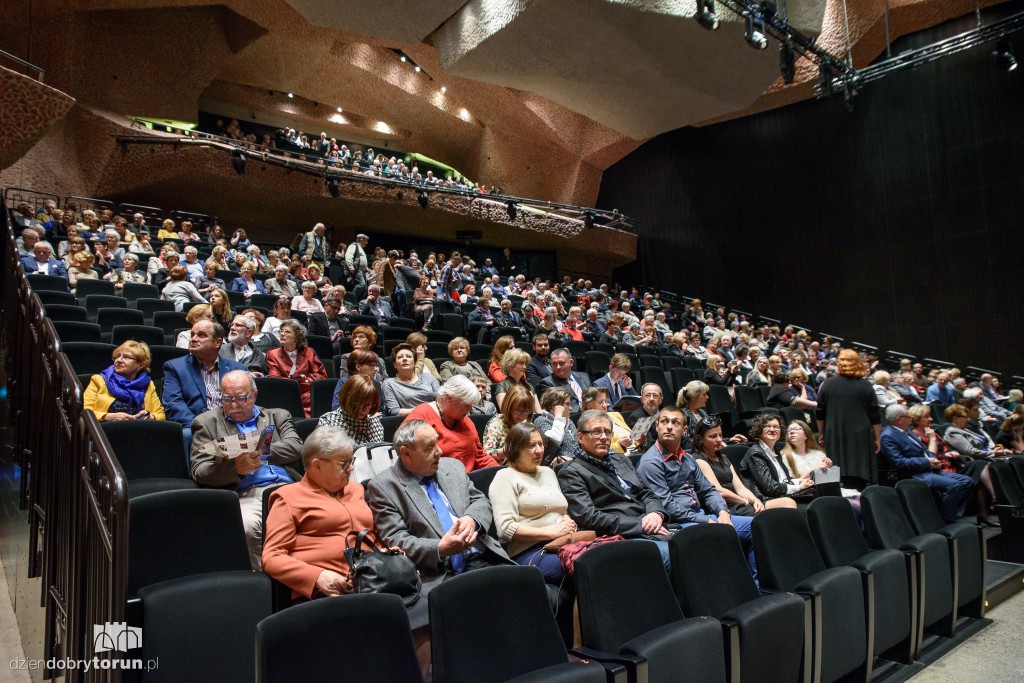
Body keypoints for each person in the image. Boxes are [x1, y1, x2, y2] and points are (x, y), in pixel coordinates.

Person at [367, 419, 513, 596]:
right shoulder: (385, 486)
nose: (439, 451)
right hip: (443, 573)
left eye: (437, 442)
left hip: (488, 556)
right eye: (429, 447)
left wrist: (471, 519)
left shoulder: (452, 466)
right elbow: (397, 540)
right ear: (406, 453)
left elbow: (480, 500)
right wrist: (440, 548)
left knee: (530, 593)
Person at [191, 370, 303, 568]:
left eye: (241, 398)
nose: (234, 405)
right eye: (227, 398)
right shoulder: (206, 423)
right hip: (246, 493)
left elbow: (295, 447)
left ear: (254, 395)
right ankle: (263, 581)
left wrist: (258, 453)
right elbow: (200, 470)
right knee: (248, 527)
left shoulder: (277, 415)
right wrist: (236, 468)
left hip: (289, 487)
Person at [637, 406, 756, 575]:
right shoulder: (651, 462)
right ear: (657, 427)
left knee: (755, 526)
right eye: (664, 421)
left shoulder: (688, 458)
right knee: (717, 535)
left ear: (684, 430)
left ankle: (754, 586)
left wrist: (722, 511)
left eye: (675, 422)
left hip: (702, 516)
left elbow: (709, 490)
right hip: (678, 522)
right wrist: (705, 520)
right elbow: (667, 506)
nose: (669, 426)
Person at [557, 410, 672, 566]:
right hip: (622, 534)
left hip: (652, 524)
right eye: (596, 432)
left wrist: (656, 513)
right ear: (580, 437)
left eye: (607, 432)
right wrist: (639, 525)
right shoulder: (571, 472)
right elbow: (589, 517)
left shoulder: (619, 459)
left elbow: (647, 493)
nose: (604, 437)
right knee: (671, 556)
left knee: (696, 544)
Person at [488, 423, 574, 584]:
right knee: (583, 566)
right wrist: (552, 533)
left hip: (563, 542)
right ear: (515, 450)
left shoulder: (548, 472)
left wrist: (568, 521)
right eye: (531, 446)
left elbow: (561, 509)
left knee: (601, 558)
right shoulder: (504, 478)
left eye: (540, 444)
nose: (539, 450)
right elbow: (505, 529)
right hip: (531, 550)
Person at [879, 404, 973, 523]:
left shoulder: (906, 431)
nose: (910, 419)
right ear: (899, 419)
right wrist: (927, 462)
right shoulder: (888, 436)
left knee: (967, 481)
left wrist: (934, 461)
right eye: (908, 417)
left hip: (928, 469)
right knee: (954, 485)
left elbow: (923, 451)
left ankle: (953, 513)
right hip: (915, 474)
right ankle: (947, 520)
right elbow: (898, 462)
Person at [162, 320, 248, 449]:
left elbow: (246, 402)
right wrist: (200, 425)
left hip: (231, 424)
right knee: (187, 435)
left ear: (217, 342)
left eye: (201, 335)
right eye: (193, 334)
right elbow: (173, 403)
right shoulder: (175, 367)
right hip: (194, 425)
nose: (194, 339)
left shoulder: (238, 369)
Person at [909, 405, 997, 525]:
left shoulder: (932, 432)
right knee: (978, 467)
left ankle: (985, 511)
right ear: (917, 419)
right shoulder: (915, 437)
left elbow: (944, 449)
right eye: (926, 417)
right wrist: (932, 439)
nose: (931, 419)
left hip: (950, 463)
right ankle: (988, 505)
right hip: (940, 468)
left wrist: (949, 452)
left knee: (979, 469)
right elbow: (931, 456)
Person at [692, 416, 795, 515]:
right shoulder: (699, 459)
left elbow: (740, 488)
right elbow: (719, 491)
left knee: (788, 503)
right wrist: (744, 501)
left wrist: (755, 501)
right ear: (700, 439)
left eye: (720, 435)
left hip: (740, 503)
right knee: (772, 515)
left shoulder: (723, 458)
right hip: (724, 507)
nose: (719, 440)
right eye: (713, 436)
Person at [403, 375, 500, 472]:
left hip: (470, 480)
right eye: (467, 405)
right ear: (449, 399)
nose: (470, 409)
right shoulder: (421, 416)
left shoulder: (466, 421)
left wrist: (500, 472)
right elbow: (411, 461)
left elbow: (480, 456)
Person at [816, 349, 881, 483]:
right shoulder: (866, 385)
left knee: (836, 473)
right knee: (860, 475)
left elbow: (820, 412)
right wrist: (877, 437)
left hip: (835, 431)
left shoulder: (828, 384)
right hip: (861, 434)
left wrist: (821, 432)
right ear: (858, 363)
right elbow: (875, 415)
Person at [83, 341, 166, 421]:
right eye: (117, 356)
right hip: (104, 431)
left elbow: (160, 414)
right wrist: (108, 416)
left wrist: (150, 417)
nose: (119, 360)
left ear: (141, 365)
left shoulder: (148, 385)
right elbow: (84, 412)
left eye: (126, 357)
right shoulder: (99, 380)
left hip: (138, 430)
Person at [741, 413, 813, 503]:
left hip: (781, 495)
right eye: (767, 426)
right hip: (765, 499)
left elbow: (783, 480)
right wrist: (799, 487)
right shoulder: (756, 453)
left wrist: (799, 481)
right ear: (759, 430)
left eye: (776, 427)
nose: (772, 429)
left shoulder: (775, 450)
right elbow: (769, 488)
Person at [266, 320, 327, 418]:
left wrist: (306, 379)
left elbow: (321, 375)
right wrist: (296, 380)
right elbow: (275, 379)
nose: (282, 334)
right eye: (281, 331)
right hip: (285, 394)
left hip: (307, 395)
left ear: (297, 338)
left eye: (287, 332)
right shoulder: (273, 354)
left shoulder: (309, 352)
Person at [318, 375, 385, 447]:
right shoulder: (328, 421)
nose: (365, 410)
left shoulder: (375, 424)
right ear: (347, 398)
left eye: (369, 404)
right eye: (360, 404)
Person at [381, 344, 440, 416]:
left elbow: (441, 401)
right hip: (410, 421)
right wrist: (424, 410)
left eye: (409, 356)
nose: (404, 359)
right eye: (400, 357)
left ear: (415, 362)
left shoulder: (429, 377)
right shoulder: (389, 383)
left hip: (436, 415)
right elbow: (394, 411)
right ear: (394, 365)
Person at [481, 385, 534, 462]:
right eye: (517, 410)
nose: (522, 415)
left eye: (526, 411)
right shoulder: (496, 424)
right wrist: (511, 450)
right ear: (508, 407)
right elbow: (488, 454)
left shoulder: (527, 424)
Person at [581, 386, 634, 454]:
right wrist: (620, 445)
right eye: (600, 402)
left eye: (606, 401)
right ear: (589, 405)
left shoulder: (616, 415)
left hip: (635, 451)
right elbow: (594, 448)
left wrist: (639, 441)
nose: (605, 405)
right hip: (617, 457)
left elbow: (632, 437)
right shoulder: (587, 424)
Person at [536, 348, 592, 413]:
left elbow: (592, 397)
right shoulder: (547, 383)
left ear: (571, 362)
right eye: (554, 364)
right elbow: (554, 407)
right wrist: (583, 408)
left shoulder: (584, 376)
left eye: (561, 363)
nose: (558, 367)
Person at [533, 386, 577, 465]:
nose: (570, 408)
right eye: (567, 404)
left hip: (573, 465)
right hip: (554, 467)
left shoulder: (569, 422)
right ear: (554, 406)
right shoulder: (541, 420)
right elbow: (554, 440)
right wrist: (559, 416)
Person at [494, 348, 542, 414]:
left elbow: (538, 411)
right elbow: (505, 412)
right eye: (521, 363)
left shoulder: (529, 386)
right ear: (510, 364)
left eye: (526, 364)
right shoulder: (503, 386)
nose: (525, 367)